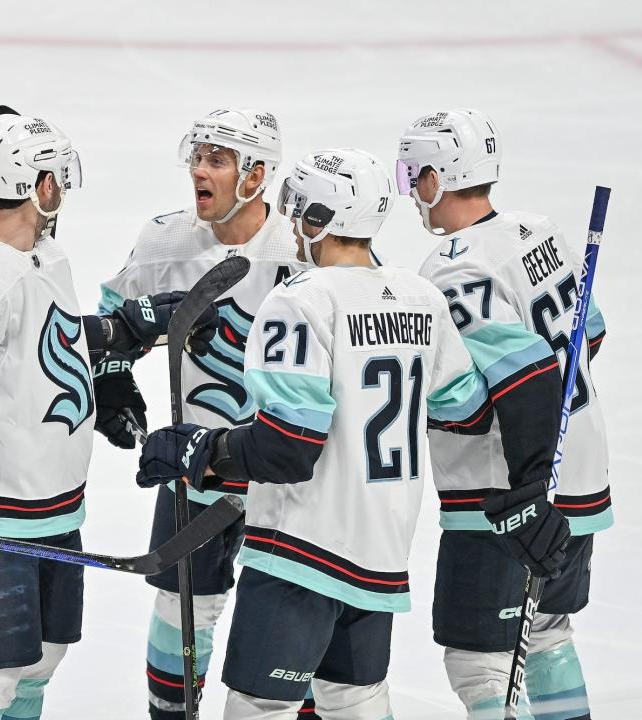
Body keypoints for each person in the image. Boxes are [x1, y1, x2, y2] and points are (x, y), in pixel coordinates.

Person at [0, 109, 216, 720]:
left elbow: (34, 342)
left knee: (42, 660)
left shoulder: (42, 254)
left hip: (56, 510)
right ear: (42, 186)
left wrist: (119, 332)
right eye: (59, 177)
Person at [135, 148, 492, 719]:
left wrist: (200, 450)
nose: (289, 218)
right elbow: (468, 409)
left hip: (301, 552)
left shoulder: (300, 301)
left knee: (260, 708)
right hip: (381, 551)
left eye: (295, 206)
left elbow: (288, 449)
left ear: (320, 217)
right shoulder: (423, 299)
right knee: (355, 702)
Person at [96, 108, 339, 718]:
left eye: (218, 160)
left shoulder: (304, 247)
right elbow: (110, 317)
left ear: (256, 175)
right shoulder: (164, 241)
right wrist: (115, 376)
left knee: (292, 609)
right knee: (180, 607)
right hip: (196, 463)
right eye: (197, 157)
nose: (199, 171)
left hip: (286, 471)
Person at [396, 108, 611, 720]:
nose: (412, 190)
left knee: (476, 663)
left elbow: (526, 381)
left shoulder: (454, 269)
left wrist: (526, 494)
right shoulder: (536, 231)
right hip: (581, 478)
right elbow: (588, 338)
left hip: (507, 496)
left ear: (438, 178)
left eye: (415, 174)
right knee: (547, 636)